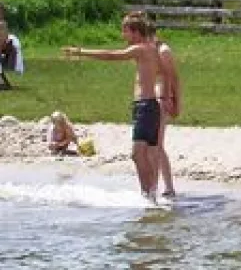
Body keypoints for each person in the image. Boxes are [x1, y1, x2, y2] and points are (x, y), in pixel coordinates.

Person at [63, 12, 166, 202]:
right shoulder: (152, 48)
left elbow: (112, 55)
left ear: (135, 32)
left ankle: (148, 195)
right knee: (147, 154)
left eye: (125, 31)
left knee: (137, 155)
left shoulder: (140, 49)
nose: (122, 35)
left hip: (144, 107)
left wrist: (80, 52)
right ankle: (152, 194)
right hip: (151, 107)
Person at [149, 20, 181, 198]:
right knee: (154, 144)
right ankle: (160, 185)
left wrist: (174, 101)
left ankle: (167, 186)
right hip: (152, 98)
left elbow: (173, 78)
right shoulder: (150, 50)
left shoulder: (163, 51)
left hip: (162, 98)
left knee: (158, 144)